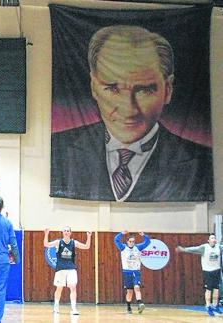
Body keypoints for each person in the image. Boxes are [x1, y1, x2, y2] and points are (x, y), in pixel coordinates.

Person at [50, 25, 213, 202]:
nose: (129, 110)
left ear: (168, 90)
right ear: (94, 87)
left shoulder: (200, 162)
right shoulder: (61, 147)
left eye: (144, 90)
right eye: (112, 88)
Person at [44, 227, 92, 315]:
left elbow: (86, 246)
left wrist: (89, 236)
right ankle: (56, 306)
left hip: (71, 269)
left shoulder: (74, 243)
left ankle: (73, 308)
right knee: (59, 288)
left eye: (68, 231)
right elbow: (46, 244)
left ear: (70, 233)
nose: (66, 232)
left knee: (73, 287)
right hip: (60, 269)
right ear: (62, 232)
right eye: (65, 231)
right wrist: (46, 234)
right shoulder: (58, 242)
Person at [177, 235, 223, 316]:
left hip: (217, 270)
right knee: (208, 289)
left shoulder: (219, 247)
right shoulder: (204, 247)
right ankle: (208, 306)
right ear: (208, 240)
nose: (214, 239)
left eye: (215, 238)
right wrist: (184, 249)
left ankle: (215, 305)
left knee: (216, 289)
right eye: (212, 238)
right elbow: (194, 249)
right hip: (208, 271)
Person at [114, 230, 150, 314]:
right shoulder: (123, 247)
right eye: (130, 241)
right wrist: (121, 233)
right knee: (129, 291)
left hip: (135, 271)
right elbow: (116, 240)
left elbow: (148, 242)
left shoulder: (138, 247)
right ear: (127, 242)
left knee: (137, 287)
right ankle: (129, 307)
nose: (132, 243)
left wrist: (144, 235)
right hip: (127, 272)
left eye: (133, 241)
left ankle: (140, 303)